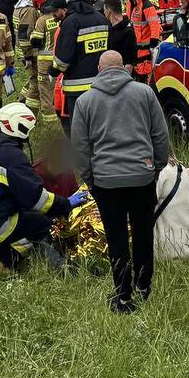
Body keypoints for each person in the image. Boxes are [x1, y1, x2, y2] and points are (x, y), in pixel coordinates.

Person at [70, 51, 172, 312]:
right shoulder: (144, 93)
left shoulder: (85, 101)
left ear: (99, 68)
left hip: (106, 182)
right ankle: (144, 288)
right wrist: (156, 168)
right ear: (124, 67)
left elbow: (80, 148)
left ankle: (123, 297)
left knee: (116, 239)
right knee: (142, 233)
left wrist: (91, 181)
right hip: (142, 177)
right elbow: (160, 135)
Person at [0, 102, 87, 272]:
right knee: (40, 223)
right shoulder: (13, 157)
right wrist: (65, 203)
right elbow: (39, 201)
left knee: (20, 219)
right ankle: (11, 261)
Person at [52, 0, 109, 129]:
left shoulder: (70, 22)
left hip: (76, 90)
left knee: (79, 130)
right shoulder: (102, 19)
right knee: (98, 127)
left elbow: (63, 59)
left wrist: (53, 71)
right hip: (101, 86)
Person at [30, 0, 62, 123]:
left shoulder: (42, 20)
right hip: (60, 59)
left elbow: (36, 41)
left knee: (45, 91)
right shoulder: (61, 17)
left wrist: (32, 36)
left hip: (44, 62)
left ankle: (49, 122)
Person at [123, 0, 162, 83]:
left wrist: (153, 44)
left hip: (144, 49)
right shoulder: (129, 3)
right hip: (133, 46)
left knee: (143, 76)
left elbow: (155, 26)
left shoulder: (147, 6)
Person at [14, 0, 41, 103]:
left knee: (33, 78)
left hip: (23, 51)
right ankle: (26, 108)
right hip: (29, 52)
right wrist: (29, 57)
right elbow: (24, 36)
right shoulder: (29, 9)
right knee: (35, 81)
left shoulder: (20, 5)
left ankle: (22, 99)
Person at [102, 0, 139, 67]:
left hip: (121, 72)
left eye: (104, 10)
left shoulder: (128, 32)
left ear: (109, 11)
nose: (104, 12)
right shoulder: (109, 27)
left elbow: (130, 63)